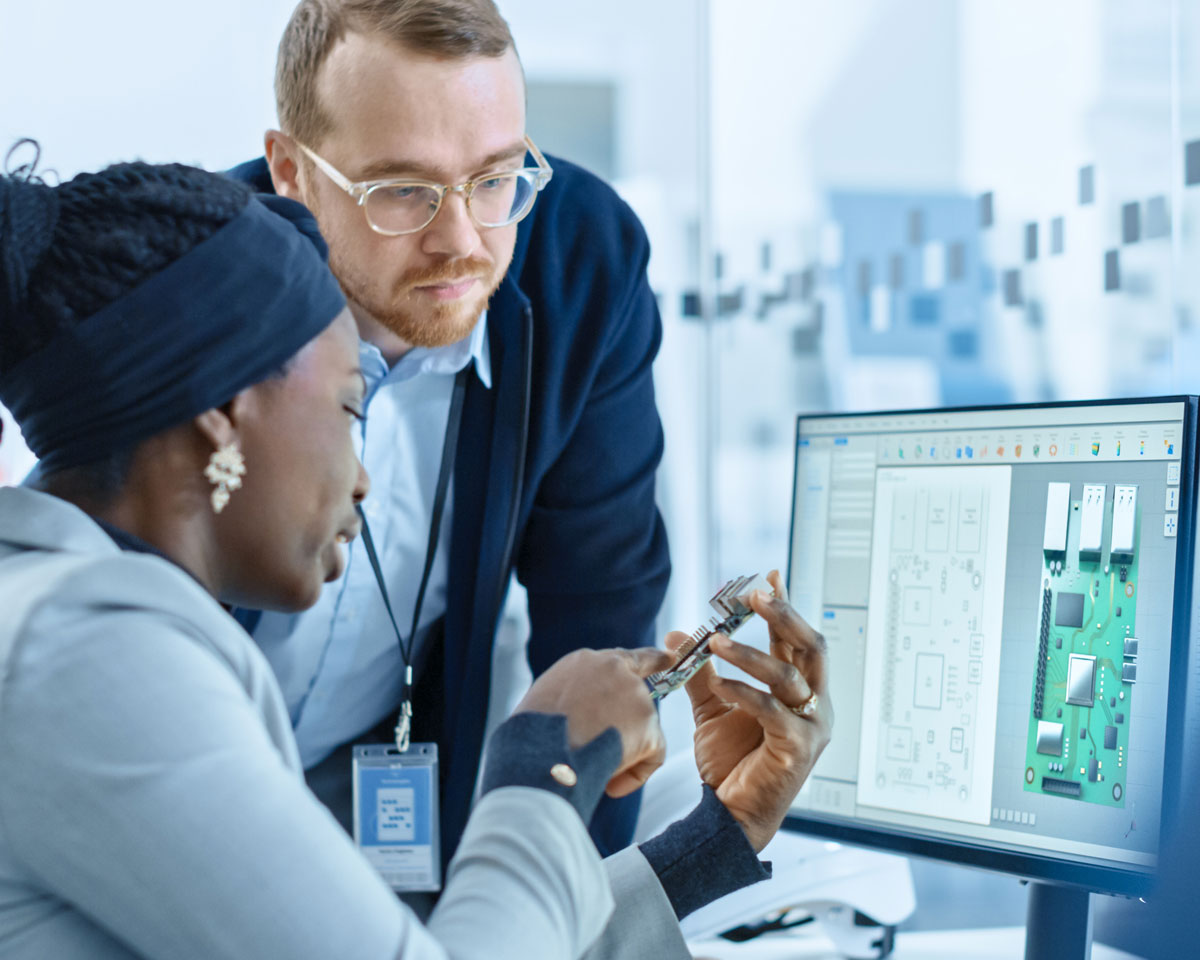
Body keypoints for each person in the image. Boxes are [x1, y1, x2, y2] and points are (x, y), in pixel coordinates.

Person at [0, 154, 832, 959]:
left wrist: (716, 841)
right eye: (347, 408)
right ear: (224, 412)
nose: (362, 479)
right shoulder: (89, 658)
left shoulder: (79, 627)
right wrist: (542, 763)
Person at [228, 0, 671, 863]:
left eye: (497, 178)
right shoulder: (192, 278)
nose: (462, 240)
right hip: (172, 765)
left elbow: (599, 637)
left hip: (381, 776)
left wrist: (590, 920)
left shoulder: (583, 259)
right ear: (292, 170)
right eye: (403, 190)